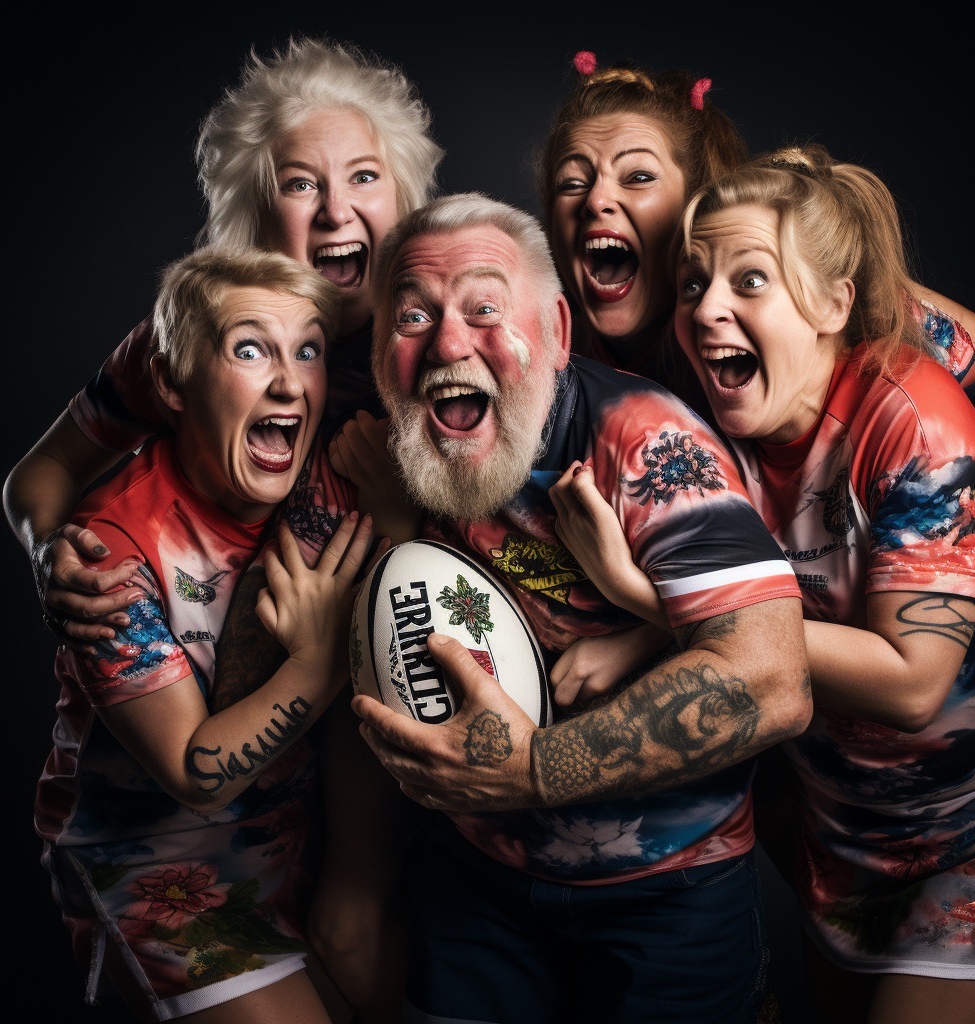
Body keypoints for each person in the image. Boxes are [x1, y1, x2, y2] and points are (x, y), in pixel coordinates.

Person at [4, 34, 442, 1021]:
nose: (336, 209)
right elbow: (42, 474)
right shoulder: (196, 337)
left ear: (403, 196)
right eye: (301, 184)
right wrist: (54, 558)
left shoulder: (441, 330)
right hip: (179, 811)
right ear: (257, 211)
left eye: (363, 177)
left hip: (335, 796)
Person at [349, 190, 813, 1024]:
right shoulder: (390, 446)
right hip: (474, 879)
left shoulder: (649, 444)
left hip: (669, 891)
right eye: (414, 317)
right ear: (383, 349)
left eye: (485, 309)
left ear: (559, 331)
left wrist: (534, 770)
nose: (448, 343)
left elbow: (772, 678)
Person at [548, 144, 975, 1023]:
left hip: (961, 842)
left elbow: (913, 683)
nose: (708, 308)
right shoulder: (708, 416)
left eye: (750, 281)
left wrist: (646, 600)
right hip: (838, 842)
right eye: (694, 282)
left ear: (832, 305)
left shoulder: (913, 419)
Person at [34, 244, 378, 1023]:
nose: (289, 382)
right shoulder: (112, 554)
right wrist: (322, 657)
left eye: (308, 352)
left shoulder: (329, 469)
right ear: (171, 382)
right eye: (250, 350)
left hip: (298, 843)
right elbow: (197, 772)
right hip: (157, 866)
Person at [537, 51, 975, 405]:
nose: (595, 200)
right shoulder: (544, 341)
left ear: (696, 202)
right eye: (571, 183)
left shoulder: (801, 297)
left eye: (638, 176)